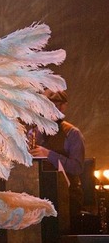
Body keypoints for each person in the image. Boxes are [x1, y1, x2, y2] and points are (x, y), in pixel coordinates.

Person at [29, 89, 85, 232]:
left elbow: (77, 167)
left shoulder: (73, 133)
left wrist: (48, 154)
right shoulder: (34, 132)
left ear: (63, 107)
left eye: (53, 105)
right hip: (36, 193)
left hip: (66, 196)